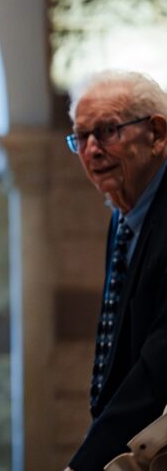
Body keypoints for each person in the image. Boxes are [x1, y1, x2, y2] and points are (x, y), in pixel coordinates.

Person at [64, 70, 167, 471]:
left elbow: (157, 367)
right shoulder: (124, 212)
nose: (91, 150)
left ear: (156, 134)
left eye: (107, 131)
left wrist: (84, 464)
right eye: (81, 137)